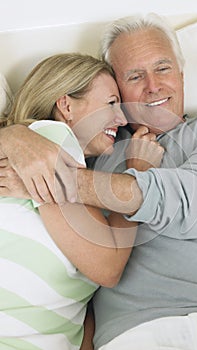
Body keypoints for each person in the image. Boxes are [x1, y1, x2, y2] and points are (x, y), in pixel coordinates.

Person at [1, 13, 197, 350]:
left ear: (182, 74)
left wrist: (61, 180)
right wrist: (14, 136)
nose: (153, 86)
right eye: (135, 76)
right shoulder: (96, 148)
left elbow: (188, 199)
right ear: (118, 88)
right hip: (135, 333)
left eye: (163, 68)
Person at [0, 52, 164, 350]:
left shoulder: (78, 179)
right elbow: (108, 267)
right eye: (111, 103)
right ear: (66, 105)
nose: (122, 118)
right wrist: (138, 171)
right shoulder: (50, 139)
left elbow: (79, 309)